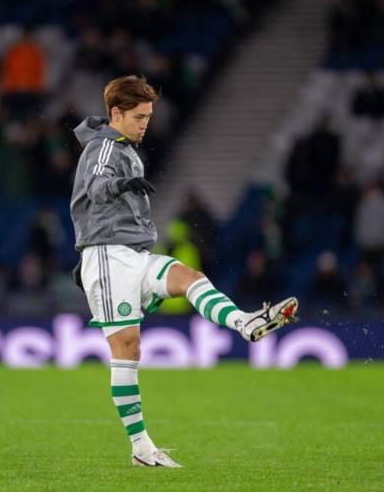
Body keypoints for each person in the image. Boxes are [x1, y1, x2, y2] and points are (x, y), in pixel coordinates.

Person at [69, 75, 298, 467]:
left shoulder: (126, 147)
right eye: (139, 116)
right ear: (116, 114)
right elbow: (96, 186)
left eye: (149, 117)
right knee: (127, 349)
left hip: (135, 254)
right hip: (107, 257)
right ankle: (141, 448)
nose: (145, 124)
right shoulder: (104, 146)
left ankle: (245, 322)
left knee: (191, 278)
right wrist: (125, 182)